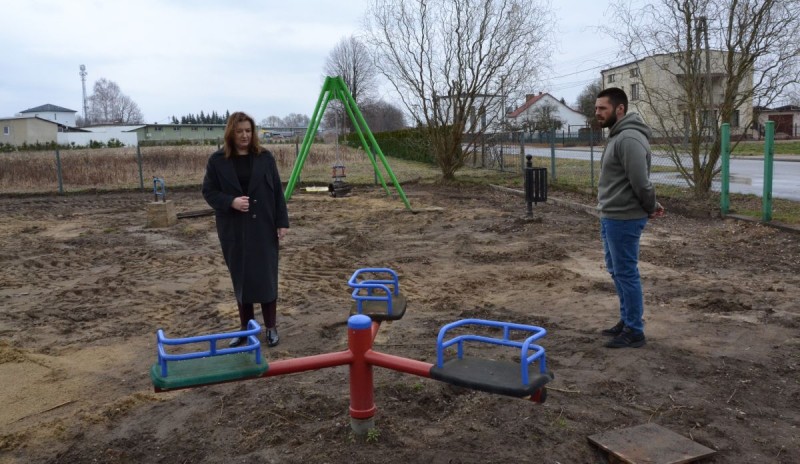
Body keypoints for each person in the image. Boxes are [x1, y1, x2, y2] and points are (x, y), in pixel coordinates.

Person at [202, 111, 289, 348]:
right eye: (239, 131)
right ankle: (246, 329)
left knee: (266, 276)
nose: (244, 135)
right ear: (231, 133)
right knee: (241, 277)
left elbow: (277, 192)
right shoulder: (217, 160)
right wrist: (230, 201)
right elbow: (208, 191)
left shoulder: (265, 158)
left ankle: (271, 327)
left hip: (264, 226)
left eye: (248, 131)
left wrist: (282, 222)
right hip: (233, 229)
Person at [594, 87, 664, 349]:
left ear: (620, 108)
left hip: (624, 218)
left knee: (626, 273)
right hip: (612, 215)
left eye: (603, 108)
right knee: (617, 271)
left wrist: (651, 206)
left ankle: (634, 330)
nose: (597, 113)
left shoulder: (629, 138)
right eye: (596, 108)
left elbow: (641, 182)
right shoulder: (617, 135)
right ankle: (627, 321)